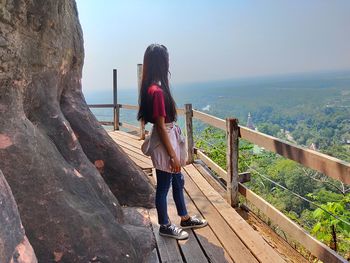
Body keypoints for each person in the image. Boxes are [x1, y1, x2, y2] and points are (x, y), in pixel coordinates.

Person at [138, 44, 207, 240]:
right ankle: (165, 225)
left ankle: (184, 218)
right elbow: (160, 125)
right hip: (165, 142)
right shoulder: (157, 91)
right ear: (162, 62)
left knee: (178, 181)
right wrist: (173, 155)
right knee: (164, 185)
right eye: (166, 58)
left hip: (167, 138)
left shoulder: (152, 87)